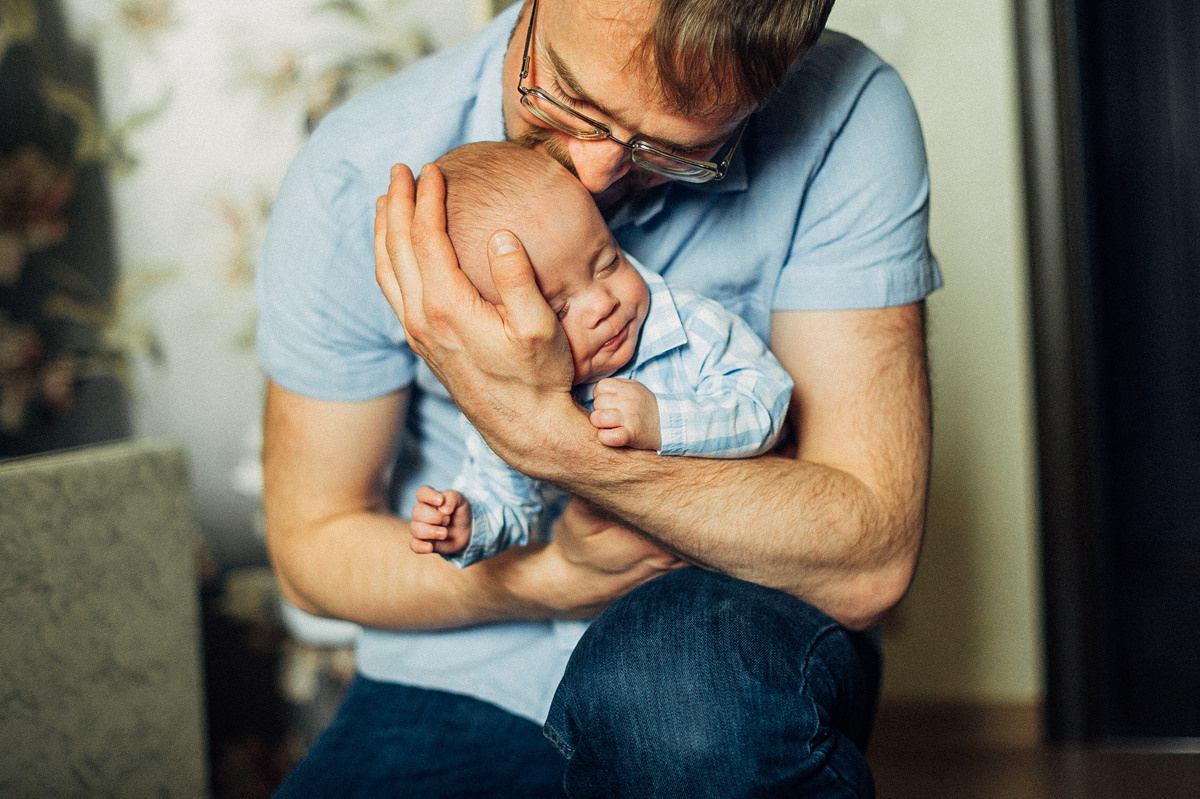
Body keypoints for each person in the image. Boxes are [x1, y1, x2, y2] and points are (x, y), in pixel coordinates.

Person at [257, 0, 941, 794]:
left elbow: (869, 559)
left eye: (673, 149)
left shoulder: (843, 115)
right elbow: (313, 547)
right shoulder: (357, 174)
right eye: (567, 96)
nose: (591, 172)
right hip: (457, 660)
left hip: (719, 636)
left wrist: (557, 443)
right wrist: (551, 577)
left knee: (674, 699)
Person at [409, 141, 793, 566]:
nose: (602, 304)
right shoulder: (503, 403)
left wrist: (661, 422)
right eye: (558, 310)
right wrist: (468, 524)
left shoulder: (690, 324)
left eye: (607, 263)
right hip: (603, 584)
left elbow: (767, 404)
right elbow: (510, 503)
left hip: (735, 558)